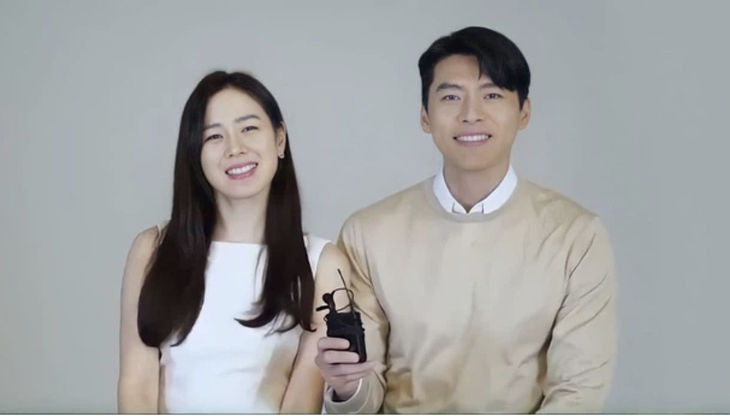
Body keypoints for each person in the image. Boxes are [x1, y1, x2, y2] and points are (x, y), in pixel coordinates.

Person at [315, 26, 618, 413]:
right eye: (451, 97)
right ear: (425, 116)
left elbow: (578, 392)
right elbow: (364, 387)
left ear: (524, 112)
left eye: (492, 95)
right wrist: (347, 386)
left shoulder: (576, 236)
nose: (471, 114)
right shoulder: (367, 233)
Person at [117, 71, 352, 413]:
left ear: (280, 139)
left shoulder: (323, 262)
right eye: (214, 136)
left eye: (249, 128)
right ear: (195, 154)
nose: (235, 148)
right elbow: (136, 387)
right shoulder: (152, 249)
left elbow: (304, 398)